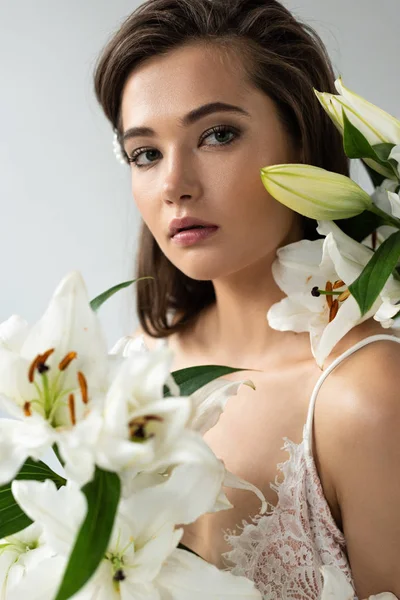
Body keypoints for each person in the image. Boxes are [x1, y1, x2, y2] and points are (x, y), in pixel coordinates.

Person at [93, 0, 400, 597]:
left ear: (302, 142)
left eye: (218, 135)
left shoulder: (366, 397)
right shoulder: (128, 367)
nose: (175, 185)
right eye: (146, 153)